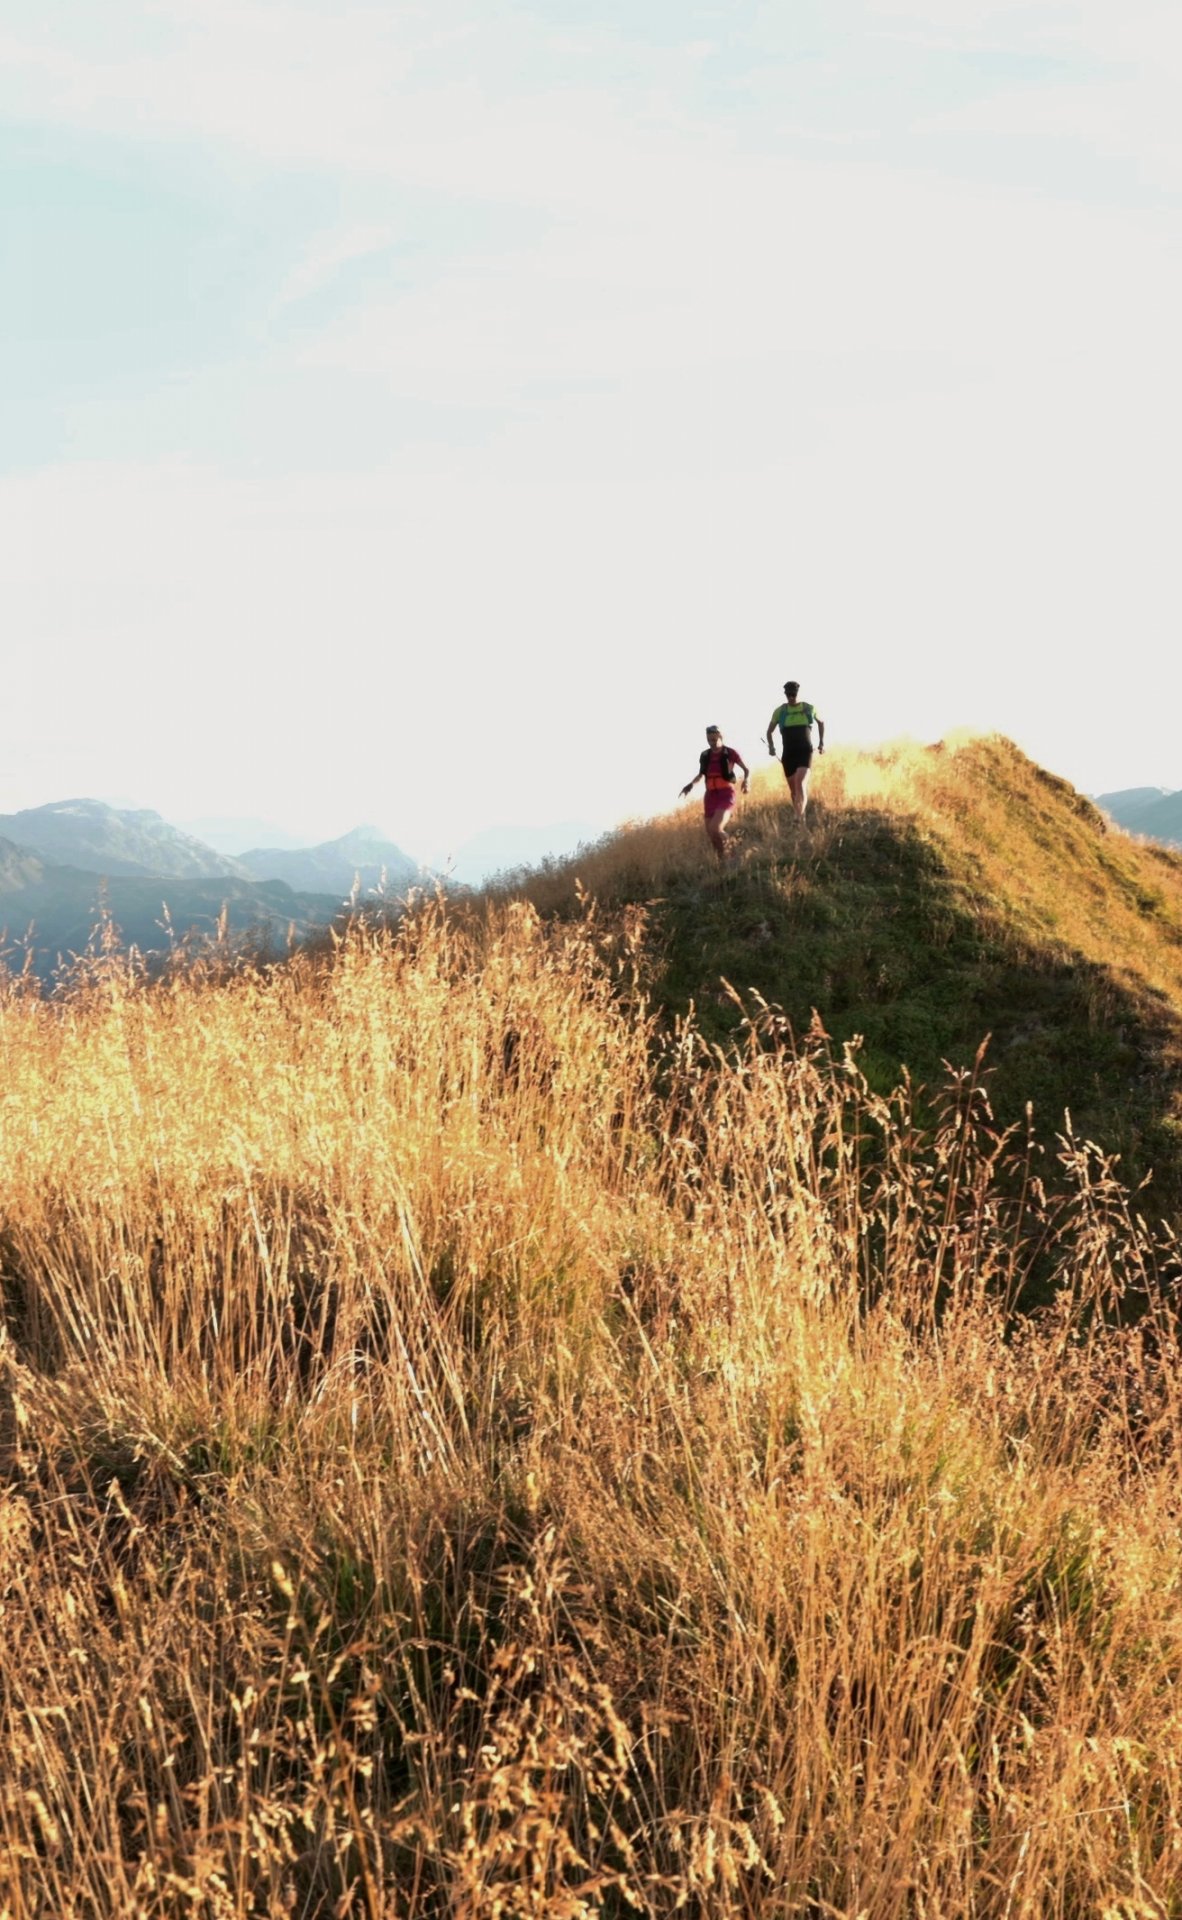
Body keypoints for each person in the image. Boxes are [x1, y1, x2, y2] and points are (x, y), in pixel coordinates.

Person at [680, 726, 750, 863]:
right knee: (711, 834)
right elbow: (701, 775)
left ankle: (734, 854)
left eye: (714, 739)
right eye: (709, 739)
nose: (712, 742)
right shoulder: (705, 755)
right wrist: (690, 785)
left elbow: (746, 769)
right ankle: (723, 861)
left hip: (726, 794)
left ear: (721, 737)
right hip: (710, 796)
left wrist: (746, 782)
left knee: (716, 828)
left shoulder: (730, 753)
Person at [766, 680, 824, 820]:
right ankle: (801, 819)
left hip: (805, 751)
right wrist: (771, 747)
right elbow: (769, 731)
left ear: (798, 693)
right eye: (788, 695)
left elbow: (821, 723)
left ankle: (797, 817)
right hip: (788, 754)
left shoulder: (808, 708)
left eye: (793, 694)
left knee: (800, 783)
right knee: (793, 791)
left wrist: (821, 743)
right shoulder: (780, 712)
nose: (791, 697)